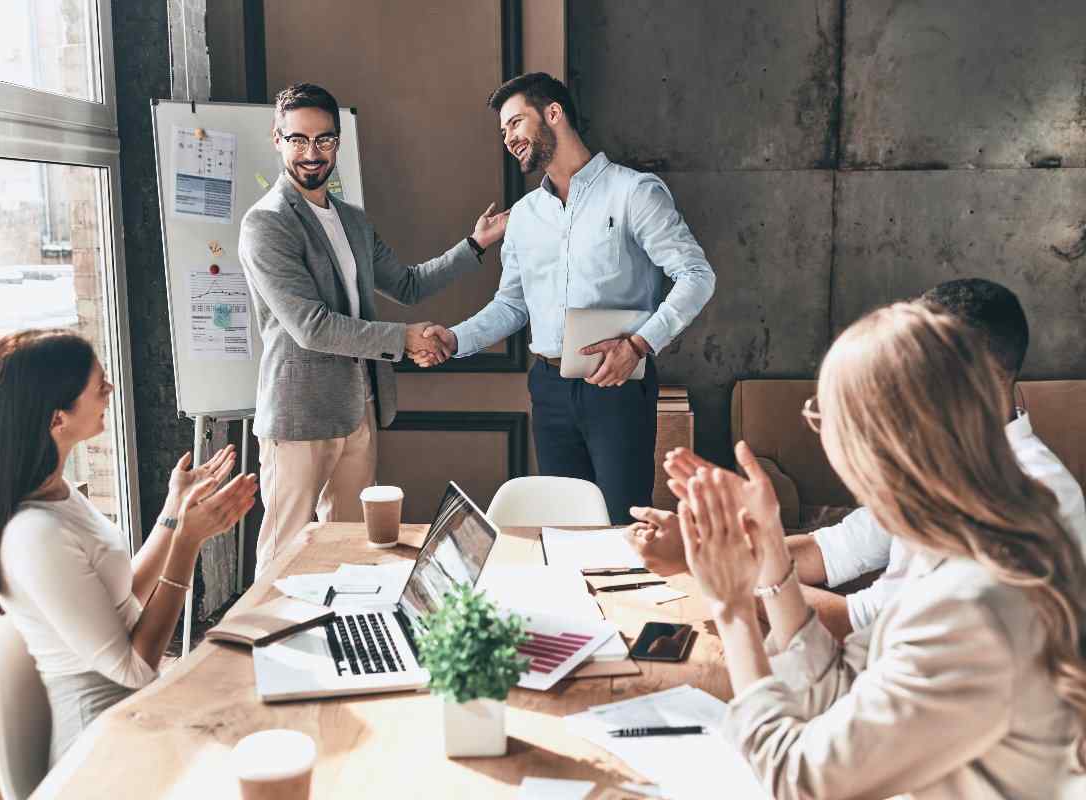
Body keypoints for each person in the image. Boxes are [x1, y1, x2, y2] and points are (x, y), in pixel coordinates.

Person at [678, 303, 1086, 798]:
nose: (822, 432)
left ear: (883, 441)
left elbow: (800, 779)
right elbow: (843, 682)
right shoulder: (954, 539)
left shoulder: (973, 603)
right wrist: (767, 555)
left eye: (823, 416)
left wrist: (733, 607)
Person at [629, 278, 1086, 639]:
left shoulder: (1030, 500)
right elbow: (832, 551)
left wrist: (711, 569)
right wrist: (707, 548)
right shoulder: (946, 458)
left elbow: (866, 625)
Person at [418, 72, 715, 524]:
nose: (509, 139)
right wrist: (454, 339)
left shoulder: (634, 192)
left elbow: (696, 275)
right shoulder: (524, 215)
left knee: (620, 527)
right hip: (550, 390)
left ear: (553, 113)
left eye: (516, 123)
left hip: (617, 389)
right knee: (564, 532)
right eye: (503, 132)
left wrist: (639, 344)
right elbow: (512, 305)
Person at [239, 83, 509, 576]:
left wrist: (475, 244)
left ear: (338, 143)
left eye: (323, 140)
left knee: (347, 551)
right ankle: (263, 647)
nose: (311, 152)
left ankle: (338, 644)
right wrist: (403, 340)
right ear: (277, 139)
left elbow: (406, 285)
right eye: (298, 139)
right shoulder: (268, 224)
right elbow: (310, 327)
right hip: (299, 416)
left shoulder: (352, 221)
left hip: (357, 406)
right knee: (283, 557)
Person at [0, 329, 258, 765]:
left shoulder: (58, 493)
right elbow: (135, 667)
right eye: (98, 385)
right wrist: (186, 544)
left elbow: (122, 597)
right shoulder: (34, 535)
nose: (110, 390)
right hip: (100, 750)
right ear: (56, 419)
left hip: (134, 717)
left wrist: (174, 510)